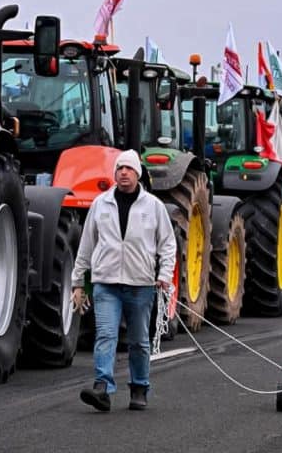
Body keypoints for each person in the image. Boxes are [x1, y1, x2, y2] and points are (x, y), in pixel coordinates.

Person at [71, 149, 176, 412]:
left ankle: (139, 387)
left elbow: (168, 244)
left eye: (129, 169)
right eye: (119, 169)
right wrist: (77, 283)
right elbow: (86, 246)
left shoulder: (153, 207)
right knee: (105, 335)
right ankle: (102, 388)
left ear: (137, 174)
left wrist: (164, 276)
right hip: (106, 283)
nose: (124, 173)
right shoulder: (100, 204)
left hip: (140, 286)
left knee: (139, 340)